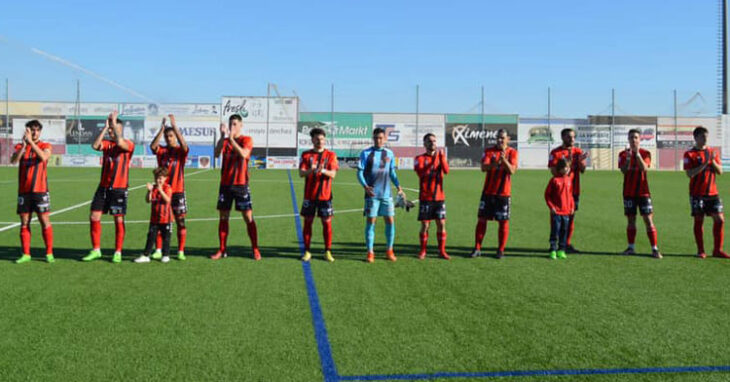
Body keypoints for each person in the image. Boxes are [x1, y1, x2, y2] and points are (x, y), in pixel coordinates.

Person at [83, 111, 135, 263]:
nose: (113, 131)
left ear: (121, 130)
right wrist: (106, 128)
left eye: (115, 129)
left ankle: (118, 251)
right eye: (112, 129)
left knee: (118, 220)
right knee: (94, 216)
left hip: (119, 188)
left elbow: (120, 143)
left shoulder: (128, 144)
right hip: (103, 188)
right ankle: (96, 250)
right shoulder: (107, 145)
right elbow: (94, 145)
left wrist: (114, 125)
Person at [211, 114, 260, 260]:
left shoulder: (246, 140)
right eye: (230, 124)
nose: (232, 126)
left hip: (241, 185)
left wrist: (231, 139)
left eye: (234, 124)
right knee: (223, 216)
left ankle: (255, 248)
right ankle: (222, 249)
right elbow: (216, 153)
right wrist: (222, 136)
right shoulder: (225, 141)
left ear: (240, 125)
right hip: (225, 185)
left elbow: (244, 154)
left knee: (248, 217)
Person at [357, 127, 405, 263]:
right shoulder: (366, 153)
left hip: (387, 195)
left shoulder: (389, 153)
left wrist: (399, 187)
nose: (378, 140)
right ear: (373, 139)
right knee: (371, 221)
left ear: (385, 139)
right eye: (376, 138)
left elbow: (392, 173)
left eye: (381, 138)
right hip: (372, 195)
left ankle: (389, 250)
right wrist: (365, 186)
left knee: (390, 221)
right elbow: (359, 173)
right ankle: (370, 252)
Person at [11, 120, 54, 263]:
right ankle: (26, 254)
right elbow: (13, 160)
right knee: (24, 222)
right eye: (31, 130)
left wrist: (31, 143)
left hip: (40, 191)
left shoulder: (45, 145)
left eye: (37, 130)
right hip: (24, 192)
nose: (34, 132)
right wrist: (24, 145)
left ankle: (48, 253)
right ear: (27, 131)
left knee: (44, 221)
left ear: (40, 132)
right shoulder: (20, 146)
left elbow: (44, 157)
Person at [471, 129, 517, 259]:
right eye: (498, 138)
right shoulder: (488, 151)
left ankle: (500, 250)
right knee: (481, 220)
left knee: (503, 222)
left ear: (508, 139)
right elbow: (483, 168)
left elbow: (512, 171)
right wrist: (497, 163)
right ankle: (477, 248)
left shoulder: (512, 152)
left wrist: (504, 161)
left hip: (503, 194)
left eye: (502, 138)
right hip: (488, 192)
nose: (500, 140)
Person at [684, 126, 728, 259]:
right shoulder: (690, 154)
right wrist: (704, 164)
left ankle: (717, 250)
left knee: (719, 219)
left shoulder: (712, 152)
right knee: (699, 220)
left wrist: (712, 161)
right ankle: (701, 250)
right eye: (702, 136)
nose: (705, 139)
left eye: (706, 136)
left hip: (713, 193)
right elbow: (689, 174)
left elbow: (720, 171)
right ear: (696, 138)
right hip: (697, 193)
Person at [150, 114, 189, 261]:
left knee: (180, 221)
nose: (169, 139)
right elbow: (153, 146)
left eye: (171, 136)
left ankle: (180, 250)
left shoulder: (180, 151)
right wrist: (161, 130)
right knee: (161, 221)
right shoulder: (162, 151)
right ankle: (158, 250)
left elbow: (185, 146)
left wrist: (176, 128)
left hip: (177, 192)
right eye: (167, 136)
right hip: (163, 191)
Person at [619, 129, 661, 258]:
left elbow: (644, 168)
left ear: (640, 139)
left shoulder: (646, 153)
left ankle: (655, 249)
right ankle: (631, 247)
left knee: (648, 220)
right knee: (631, 220)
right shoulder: (623, 154)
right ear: (628, 139)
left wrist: (637, 155)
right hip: (629, 192)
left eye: (636, 137)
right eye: (631, 137)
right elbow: (623, 171)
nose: (633, 140)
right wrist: (627, 160)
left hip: (643, 193)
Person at [299, 128, 339, 262]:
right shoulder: (306, 155)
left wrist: (322, 171)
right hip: (309, 196)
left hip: (325, 196)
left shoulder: (331, 155)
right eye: (317, 139)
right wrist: (312, 170)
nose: (319, 141)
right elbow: (301, 173)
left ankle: (327, 251)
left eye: (321, 139)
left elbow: (333, 174)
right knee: (308, 223)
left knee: (327, 224)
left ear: (325, 139)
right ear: (312, 140)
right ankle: (307, 251)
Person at [548, 128, 588, 253]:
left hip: (574, 191)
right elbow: (553, 171)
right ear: (562, 138)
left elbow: (583, 170)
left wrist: (581, 161)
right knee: (556, 218)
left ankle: (566, 244)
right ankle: (554, 244)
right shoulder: (555, 152)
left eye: (573, 137)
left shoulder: (578, 152)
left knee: (570, 217)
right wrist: (568, 165)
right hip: (559, 192)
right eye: (569, 137)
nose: (572, 139)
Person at [413, 133, 450, 260]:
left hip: (439, 197)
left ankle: (442, 251)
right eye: (429, 141)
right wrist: (435, 160)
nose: (432, 143)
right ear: (424, 144)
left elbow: (446, 171)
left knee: (441, 223)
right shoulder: (419, 158)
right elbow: (422, 173)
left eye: (434, 141)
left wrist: (442, 159)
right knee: (425, 225)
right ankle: (423, 250)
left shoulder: (441, 156)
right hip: (426, 197)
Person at [135, 167, 173, 263]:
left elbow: (168, 200)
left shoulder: (167, 188)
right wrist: (149, 191)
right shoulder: (154, 188)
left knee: (166, 238)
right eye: (156, 178)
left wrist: (161, 190)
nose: (158, 180)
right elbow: (148, 200)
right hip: (155, 219)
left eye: (160, 178)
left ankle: (166, 255)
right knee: (151, 236)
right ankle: (146, 255)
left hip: (166, 219)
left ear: (165, 178)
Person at [544, 158, 574, 260]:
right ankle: (553, 249)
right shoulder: (554, 180)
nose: (568, 169)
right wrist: (551, 207)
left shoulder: (569, 180)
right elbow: (547, 195)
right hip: (556, 212)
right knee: (555, 231)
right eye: (566, 167)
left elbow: (570, 195)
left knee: (564, 231)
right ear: (560, 168)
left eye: (569, 167)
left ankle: (561, 250)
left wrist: (572, 206)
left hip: (566, 212)